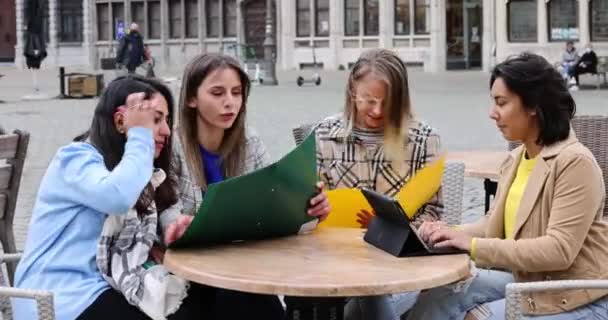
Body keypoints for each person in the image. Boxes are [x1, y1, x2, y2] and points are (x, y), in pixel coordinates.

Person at [407, 52, 608, 320]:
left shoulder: (575, 163)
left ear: (533, 105)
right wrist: (448, 232)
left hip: (575, 294)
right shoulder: (516, 158)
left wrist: (472, 244)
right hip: (529, 281)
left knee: (477, 317)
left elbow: (558, 250)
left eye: (501, 103)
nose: (493, 113)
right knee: (433, 300)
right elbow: (494, 224)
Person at [12, 76, 201, 319]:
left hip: (110, 287)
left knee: (214, 299)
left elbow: (167, 211)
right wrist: (141, 135)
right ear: (121, 121)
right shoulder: (74, 159)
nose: (166, 130)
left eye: (166, 120)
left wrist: (177, 228)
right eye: (155, 120)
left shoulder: (141, 171)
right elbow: (117, 196)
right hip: (59, 298)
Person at [173, 53, 331, 319]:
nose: (230, 103)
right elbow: (168, 220)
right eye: (217, 93)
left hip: (243, 268)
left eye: (237, 93)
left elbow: (272, 205)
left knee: (258, 302)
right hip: (190, 274)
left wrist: (309, 210)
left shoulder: (250, 142)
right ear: (191, 98)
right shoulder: (173, 147)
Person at [314, 48, 444, 320]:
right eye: (369, 100)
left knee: (371, 295)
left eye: (388, 103)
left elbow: (433, 214)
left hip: (400, 269)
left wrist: (389, 229)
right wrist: (315, 207)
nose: (377, 111)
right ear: (352, 91)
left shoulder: (423, 139)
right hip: (335, 266)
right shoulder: (325, 134)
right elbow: (306, 211)